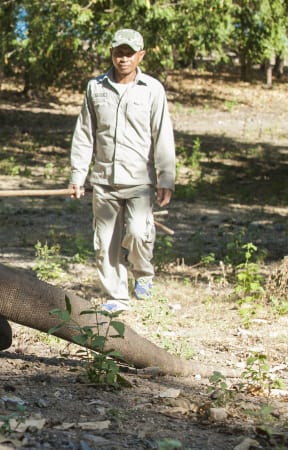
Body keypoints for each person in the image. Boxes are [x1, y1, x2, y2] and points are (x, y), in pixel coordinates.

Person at [68, 28, 176, 313]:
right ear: (112, 54)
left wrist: (166, 177)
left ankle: (143, 273)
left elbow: (162, 135)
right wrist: (78, 175)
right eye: (119, 52)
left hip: (140, 180)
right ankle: (117, 295)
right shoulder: (96, 87)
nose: (123, 58)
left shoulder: (152, 89)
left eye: (129, 53)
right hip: (103, 180)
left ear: (140, 55)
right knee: (105, 243)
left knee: (139, 233)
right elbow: (84, 134)